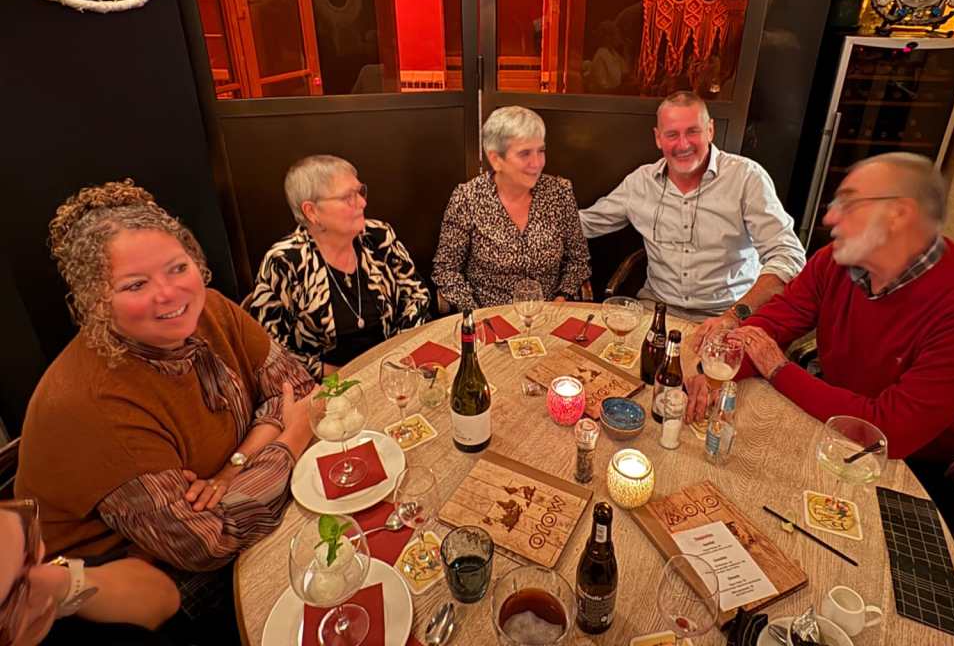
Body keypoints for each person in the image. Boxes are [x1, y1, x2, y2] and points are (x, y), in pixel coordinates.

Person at [15, 180, 316, 642]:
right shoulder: (90, 405)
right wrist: (290, 439)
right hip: (139, 592)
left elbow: (296, 387)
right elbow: (205, 542)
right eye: (135, 284)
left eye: (178, 268)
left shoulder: (211, 310)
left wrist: (233, 469)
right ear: (95, 302)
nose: (170, 294)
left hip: (226, 515)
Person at [705, 154, 954, 505]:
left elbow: (890, 432)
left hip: (934, 470)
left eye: (849, 203)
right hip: (841, 423)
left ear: (899, 214)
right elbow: (775, 321)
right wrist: (714, 373)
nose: (829, 218)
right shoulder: (836, 260)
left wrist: (778, 368)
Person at [578, 92, 805, 345]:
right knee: (605, 358)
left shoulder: (746, 178)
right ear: (658, 138)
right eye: (672, 134)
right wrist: (541, 204)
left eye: (693, 131)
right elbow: (583, 224)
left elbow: (788, 255)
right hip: (656, 311)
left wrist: (735, 315)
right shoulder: (640, 182)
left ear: (710, 130)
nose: (683, 144)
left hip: (728, 315)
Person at [248, 155, 430, 379]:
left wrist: (400, 354)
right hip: (329, 384)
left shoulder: (378, 236)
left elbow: (416, 295)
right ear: (311, 211)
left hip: (396, 367)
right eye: (348, 197)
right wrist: (340, 376)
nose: (362, 203)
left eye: (360, 192)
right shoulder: (284, 262)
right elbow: (270, 348)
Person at [432, 106, 591, 310]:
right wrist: (476, 315)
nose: (537, 163)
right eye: (525, 154)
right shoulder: (467, 198)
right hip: (489, 317)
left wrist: (561, 299)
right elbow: (446, 270)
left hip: (548, 314)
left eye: (541, 151)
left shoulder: (559, 192)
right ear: (496, 159)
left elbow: (578, 261)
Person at [0, 499, 179, 645]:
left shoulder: (48, 580)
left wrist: (68, 584)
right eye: (21, 584)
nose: (42, 550)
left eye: (29, 541)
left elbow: (166, 597)